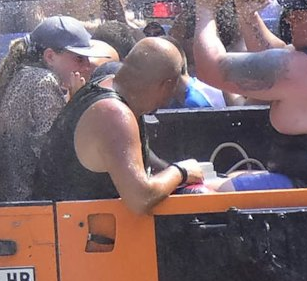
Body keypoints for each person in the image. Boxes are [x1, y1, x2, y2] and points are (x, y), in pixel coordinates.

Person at [32, 38, 205, 210]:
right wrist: (181, 172)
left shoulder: (109, 86)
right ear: (166, 85)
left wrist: (166, 170)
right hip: (70, 232)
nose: (169, 98)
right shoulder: (114, 114)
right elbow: (141, 199)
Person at [194, 0, 307, 186]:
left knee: (200, 192)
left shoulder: (297, 69)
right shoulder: (303, 63)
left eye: (298, 15)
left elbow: (210, 68)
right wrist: (248, 16)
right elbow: (275, 55)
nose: (289, 19)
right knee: (233, 178)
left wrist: (205, 10)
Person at [0, 15, 103, 202]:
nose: (88, 66)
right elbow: (55, 154)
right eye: (79, 58)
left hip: (21, 196)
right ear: (50, 56)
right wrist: (78, 104)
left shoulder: (26, 76)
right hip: (33, 200)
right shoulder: (43, 82)